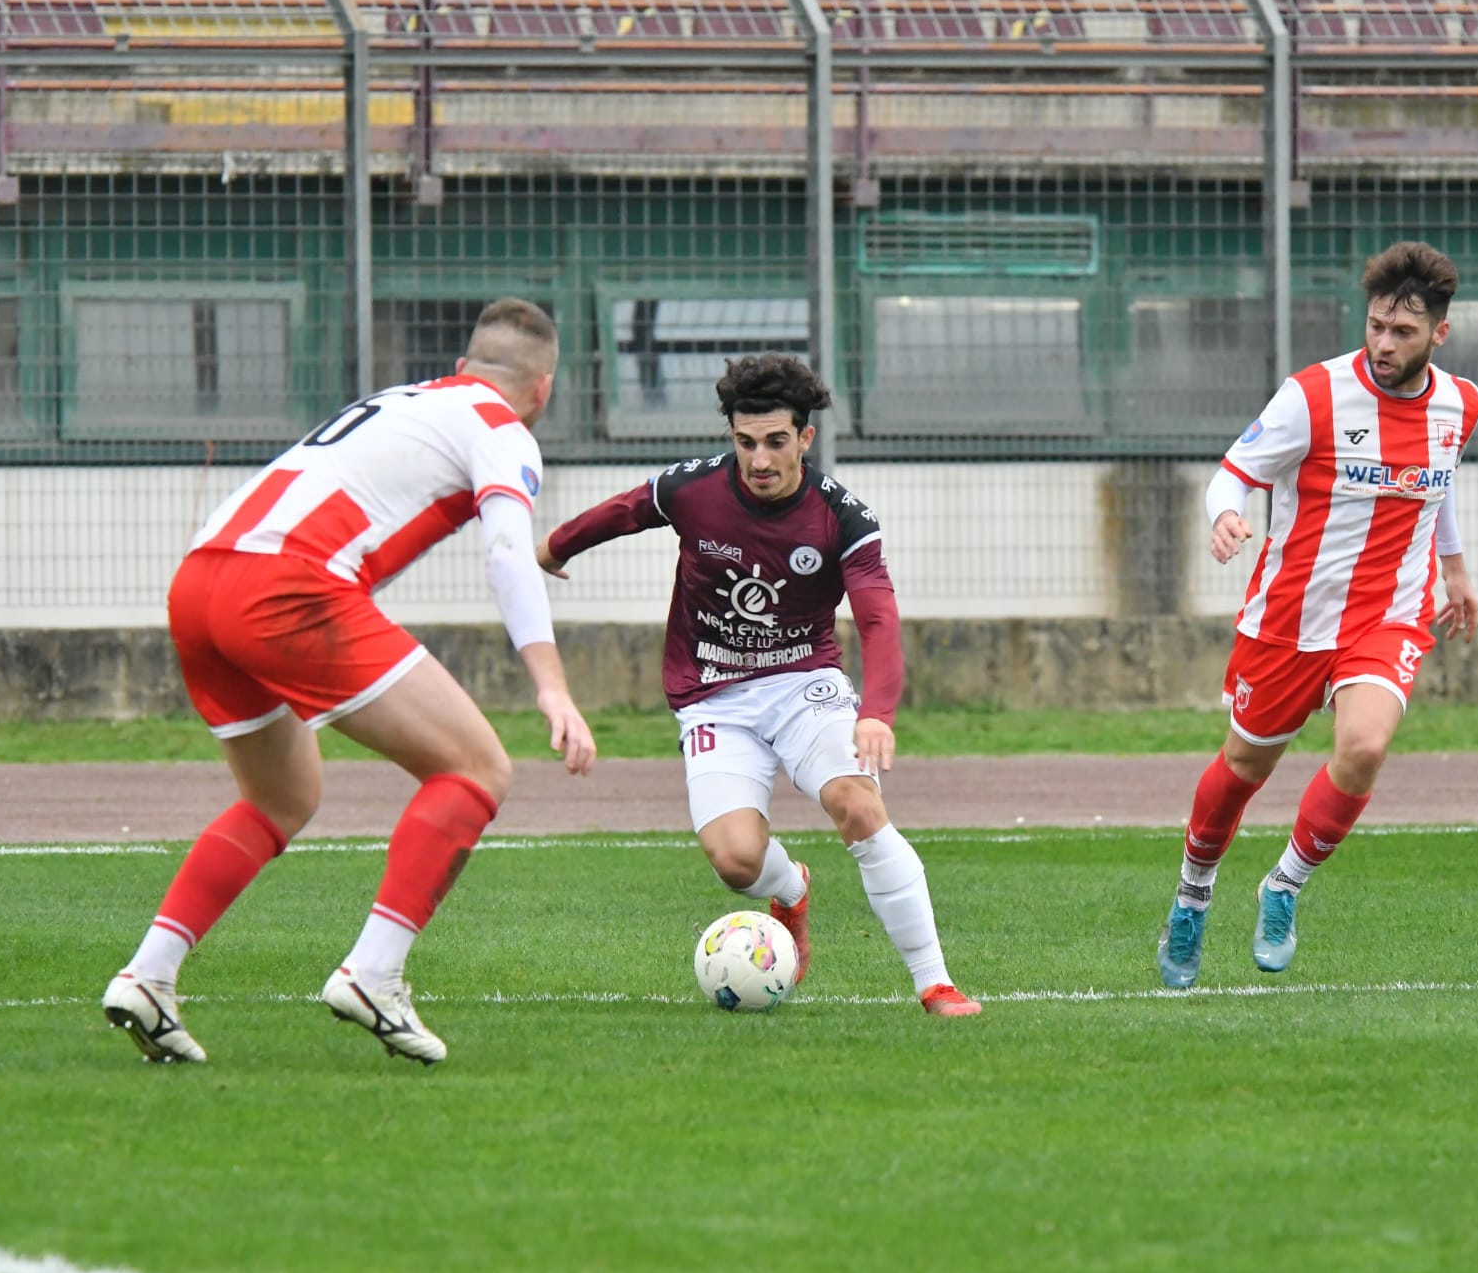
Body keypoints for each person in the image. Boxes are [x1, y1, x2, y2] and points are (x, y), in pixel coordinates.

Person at [101, 298, 597, 1065]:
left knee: (280, 797)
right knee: (476, 767)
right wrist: (553, 686)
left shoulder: (404, 400)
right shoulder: (504, 427)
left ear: (463, 368)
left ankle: (150, 975)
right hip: (286, 586)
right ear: (545, 390)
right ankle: (373, 972)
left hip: (200, 581)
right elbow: (508, 549)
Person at [540, 353, 980, 1016]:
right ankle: (791, 888)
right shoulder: (696, 490)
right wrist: (556, 546)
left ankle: (935, 982)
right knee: (735, 860)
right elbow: (630, 508)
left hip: (806, 683)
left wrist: (878, 710)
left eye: (776, 441)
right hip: (713, 693)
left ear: (805, 437)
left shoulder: (842, 518)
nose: (759, 459)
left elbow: (878, 616)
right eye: (745, 442)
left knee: (858, 804)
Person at [1157, 241, 1478, 989]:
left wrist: (1455, 567)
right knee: (1243, 769)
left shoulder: (1461, 403)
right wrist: (1225, 517)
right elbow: (1234, 473)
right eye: (1375, 326)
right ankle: (1192, 894)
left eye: (1403, 332)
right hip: (1291, 618)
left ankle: (1283, 886)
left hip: (1388, 617)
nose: (1384, 343)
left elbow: (1441, 481)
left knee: (1365, 746)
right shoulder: (1314, 395)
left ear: (1440, 332)